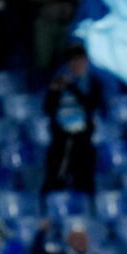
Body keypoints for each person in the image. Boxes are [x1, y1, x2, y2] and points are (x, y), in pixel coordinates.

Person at [43, 46, 101, 194]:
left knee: (84, 179)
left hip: (83, 139)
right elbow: (48, 109)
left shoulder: (92, 82)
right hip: (62, 138)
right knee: (56, 177)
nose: (76, 64)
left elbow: (90, 104)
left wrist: (71, 87)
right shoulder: (60, 81)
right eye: (73, 61)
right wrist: (54, 91)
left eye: (80, 60)